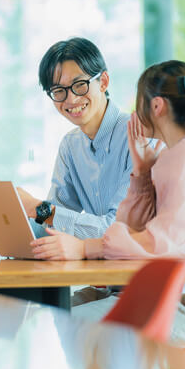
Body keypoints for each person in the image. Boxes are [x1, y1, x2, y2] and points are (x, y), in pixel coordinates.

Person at [31, 60, 185, 347]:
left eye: (139, 103)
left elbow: (160, 246)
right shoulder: (184, 152)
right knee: (65, 316)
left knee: (74, 325)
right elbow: (137, 230)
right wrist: (143, 173)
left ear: (156, 107)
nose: (134, 112)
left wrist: (86, 247)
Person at [16, 37, 132, 239]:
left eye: (79, 85)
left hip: (146, 264)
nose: (71, 99)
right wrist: (11, 226)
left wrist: (38, 209)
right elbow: (55, 219)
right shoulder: (71, 145)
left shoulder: (137, 138)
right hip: (103, 262)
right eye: (58, 91)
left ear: (103, 82)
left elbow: (117, 230)